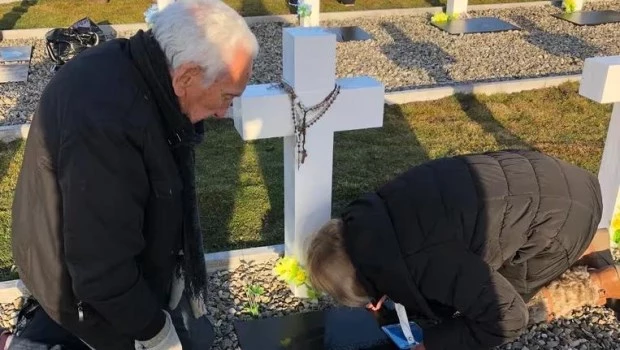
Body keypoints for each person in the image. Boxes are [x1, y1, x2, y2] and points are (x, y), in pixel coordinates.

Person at [8, 0, 259, 349]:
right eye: (226, 96)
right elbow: (102, 270)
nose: (223, 112)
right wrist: (155, 332)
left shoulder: (131, 66)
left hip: (95, 271)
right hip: (87, 300)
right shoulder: (106, 123)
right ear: (186, 75)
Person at [306, 149, 620, 350]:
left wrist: (433, 344)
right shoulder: (380, 209)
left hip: (564, 218)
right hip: (549, 177)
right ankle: (591, 241)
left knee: (517, 303)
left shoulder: (427, 261)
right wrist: (380, 288)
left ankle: (603, 281)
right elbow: (418, 256)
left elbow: (506, 318)